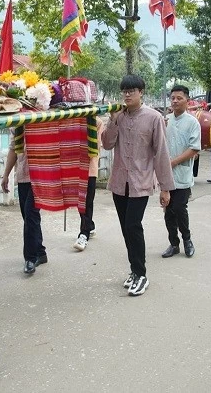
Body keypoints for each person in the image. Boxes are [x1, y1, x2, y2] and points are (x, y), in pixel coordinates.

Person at [101, 75, 174, 297]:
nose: (127, 94)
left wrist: (165, 187)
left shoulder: (154, 118)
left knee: (133, 225)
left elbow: (161, 152)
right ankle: (134, 270)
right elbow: (106, 143)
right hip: (119, 182)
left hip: (140, 182)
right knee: (126, 229)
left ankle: (141, 274)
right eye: (124, 90)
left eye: (132, 90)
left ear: (141, 92)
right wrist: (112, 120)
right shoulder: (118, 117)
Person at [162, 85, 201, 258]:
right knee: (167, 210)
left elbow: (194, 149)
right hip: (165, 173)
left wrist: (173, 162)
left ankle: (187, 240)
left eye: (179, 98)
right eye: (173, 98)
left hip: (182, 172)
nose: (175, 101)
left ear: (187, 100)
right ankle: (173, 243)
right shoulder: (165, 120)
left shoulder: (193, 122)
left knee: (179, 208)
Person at [1, 134, 47, 272]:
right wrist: (6, 175)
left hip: (40, 175)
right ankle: (40, 252)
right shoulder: (18, 123)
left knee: (30, 213)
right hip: (23, 176)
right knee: (28, 216)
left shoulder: (41, 117)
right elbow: (13, 149)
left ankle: (30, 258)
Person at [73, 118, 101, 251]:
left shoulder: (97, 122)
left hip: (89, 168)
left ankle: (83, 234)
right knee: (79, 202)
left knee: (87, 202)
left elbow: (96, 146)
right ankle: (90, 225)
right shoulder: (71, 119)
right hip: (74, 169)